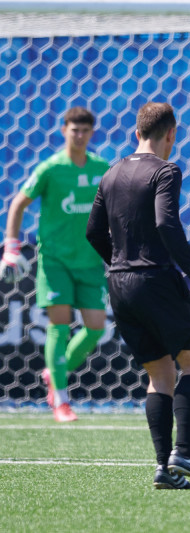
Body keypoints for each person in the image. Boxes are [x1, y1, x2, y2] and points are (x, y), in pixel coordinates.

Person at [86, 102, 190, 490]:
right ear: (171, 135)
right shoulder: (167, 170)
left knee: (160, 374)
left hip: (120, 285)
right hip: (155, 280)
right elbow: (167, 222)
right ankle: (185, 452)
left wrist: (119, 263)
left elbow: (94, 233)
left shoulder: (112, 172)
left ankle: (165, 468)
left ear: (136, 133)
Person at [1, 107, 109, 422]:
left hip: (90, 261)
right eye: (74, 129)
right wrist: (11, 246)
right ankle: (61, 400)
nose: (79, 135)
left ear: (92, 133)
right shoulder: (50, 168)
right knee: (58, 327)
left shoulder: (102, 168)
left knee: (95, 328)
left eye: (85, 130)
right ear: (63, 130)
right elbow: (18, 203)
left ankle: (55, 371)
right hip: (55, 262)